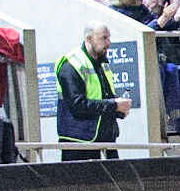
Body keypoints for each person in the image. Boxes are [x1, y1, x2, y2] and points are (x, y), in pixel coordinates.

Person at [55, 22, 132, 161]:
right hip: (80, 143)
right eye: (104, 38)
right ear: (89, 39)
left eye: (109, 38)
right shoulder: (71, 64)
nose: (109, 43)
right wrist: (114, 105)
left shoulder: (102, 63)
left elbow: (104, 97)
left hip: (105, 139)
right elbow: (77, 105)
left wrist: (119, 109)